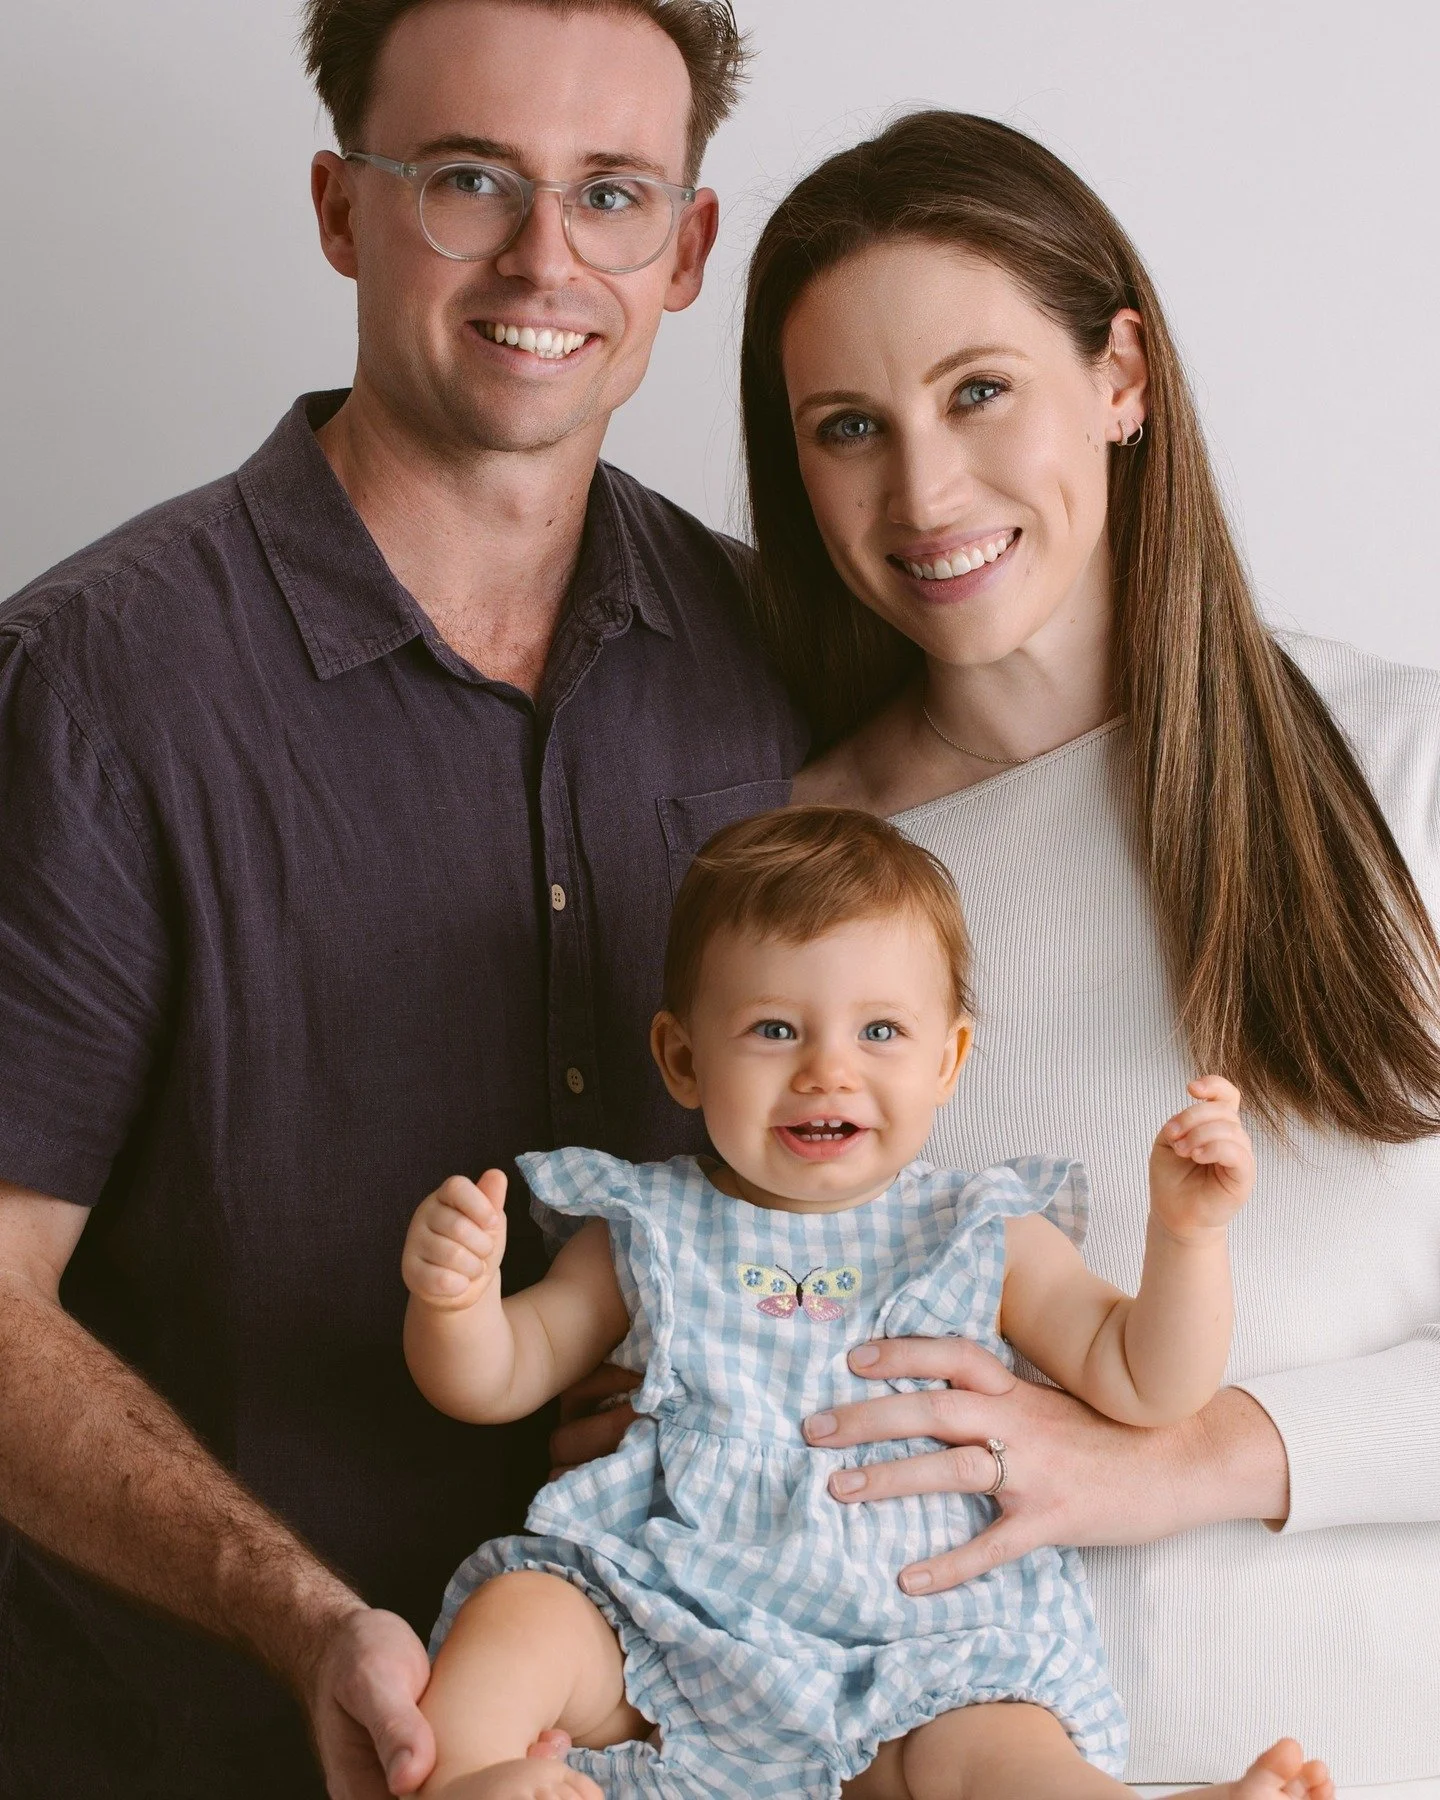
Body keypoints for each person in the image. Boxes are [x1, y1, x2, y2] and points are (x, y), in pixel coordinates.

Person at [0, 3, 804, 1796]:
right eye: (468, 182)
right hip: (189, 1748)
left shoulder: (783, 660)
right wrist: (299, 1617)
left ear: (685, 250)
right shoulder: (93, 685)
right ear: (339, 208)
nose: (544, 260)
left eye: (610, 195)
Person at [725, 110, 1440, 1794]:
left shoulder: (1402, 769)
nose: (924, 491)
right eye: (850, 428)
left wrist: (1180, 1459)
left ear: (1123, 377)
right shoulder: (786, 887)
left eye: (980, 390)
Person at [401, 805, 1330, 1800]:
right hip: (672, 1621)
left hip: (928, 1640)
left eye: (880, 1030)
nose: (826, 1070)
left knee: (1002, 1756)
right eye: (774, 1029)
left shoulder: (981, 1229)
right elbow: (498, 1380)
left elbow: (1149, 1382)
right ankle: (478, 1781)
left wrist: (1187, 1239)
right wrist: (455, 1303)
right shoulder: (644, 1226)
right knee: (523, 1613)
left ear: (947, 1061)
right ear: (682, 1059)